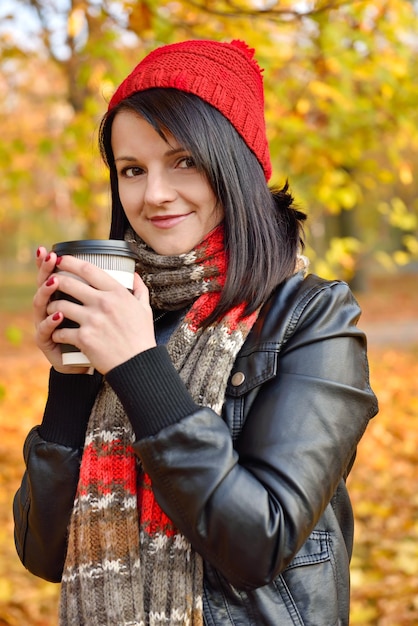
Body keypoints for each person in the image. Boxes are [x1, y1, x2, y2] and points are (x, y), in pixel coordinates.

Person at [13, 39, 378, 626]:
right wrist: (73, 378)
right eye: (132, 170)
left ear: (234, 164)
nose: (153, 194)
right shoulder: (127, 313)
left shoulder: (314, 319)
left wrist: (136, 368)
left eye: (183, 161)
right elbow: (43, 554)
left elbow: (259, 543)